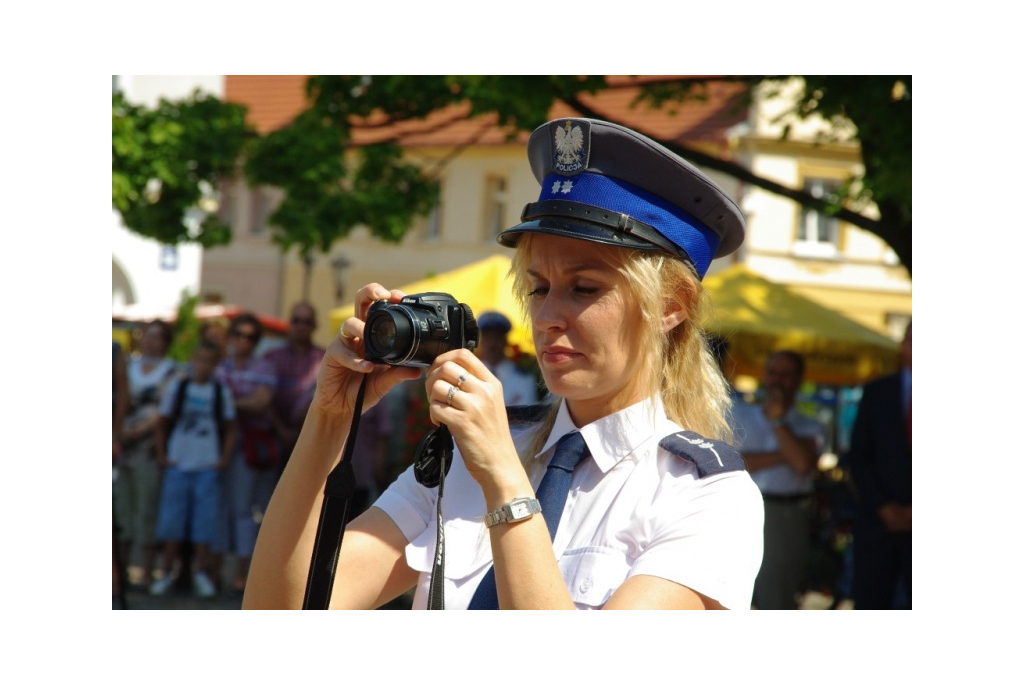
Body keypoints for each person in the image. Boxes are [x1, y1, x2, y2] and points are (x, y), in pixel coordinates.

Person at [244, 117, 764, 610]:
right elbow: (279, 611)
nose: (548, 317)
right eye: (538, 288)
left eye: (584, 288)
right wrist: (331, 417)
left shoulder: (706, 495)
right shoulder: (470, 456)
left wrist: (503, 479)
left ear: (672, 305)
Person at [729, 350, 825, 609]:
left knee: (777, 599)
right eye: (772, 372)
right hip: (737, 509)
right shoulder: (739, 415)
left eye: (785, 375)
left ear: (798, 380)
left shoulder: (810, 424)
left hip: (786, 514)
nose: (776, 380)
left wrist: (778, 422)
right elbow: (732, 464)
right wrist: (789, 451)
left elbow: (803, 465)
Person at [149, 340, 237, 598]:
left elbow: (230, 427)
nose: (203, 366)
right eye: (200, 360)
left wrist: (222, 459)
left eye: (210, 361)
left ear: (215, 365)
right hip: (179, 463)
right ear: (193, 360)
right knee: (172, 523)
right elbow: (161, 421)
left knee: (203, 524)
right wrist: (163, 454)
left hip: (206, 465)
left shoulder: (221, 392)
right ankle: (166, 572)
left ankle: (201, 573)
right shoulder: (179, 387)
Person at [847, 320, 911, 609]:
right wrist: (883, 508)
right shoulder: (877, 391)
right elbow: (859, 457)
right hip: (877, 525)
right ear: (904, 346)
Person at [214, 313, 279, 594]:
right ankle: (211, 572)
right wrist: (237, 404)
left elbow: (260, 403)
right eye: (238, 334)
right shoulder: (218, 365)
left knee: (243, 511)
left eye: (250, 336)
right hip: (212, 447)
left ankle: (241, 576)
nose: (243, 340)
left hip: (246, 450)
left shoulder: (263, 367)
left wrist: (225, 404)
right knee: (217, 511)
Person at [113, 319, 180, 587]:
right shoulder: (128, 365)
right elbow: (118, 397)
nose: (150, 341)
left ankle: (146, 571)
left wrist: (137, 433)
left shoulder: (173, 371)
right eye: (147, 336)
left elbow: (165, 409)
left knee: (147, 510)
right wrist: (119, 434)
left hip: (150, 448)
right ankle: (122, 571)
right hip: (121, 447)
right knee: (122, 510)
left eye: (157, 337)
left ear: (166, 342)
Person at [263, 302, 325, 476]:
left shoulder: (325, 359)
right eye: (297, 320)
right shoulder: (271, 357)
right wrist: (281, 430)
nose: (301, 326)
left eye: (307, 321)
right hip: (272, 439)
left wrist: (299, 433)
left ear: (314, 325)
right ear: (290, 323)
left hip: (309, 442)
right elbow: (264, 399)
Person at [475, 310, 540, 406]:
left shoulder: (524, 378)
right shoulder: (470, 374)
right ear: (480, 341)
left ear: (505, 341)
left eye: (497, 337)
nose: (492, 343)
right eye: (487, 337)